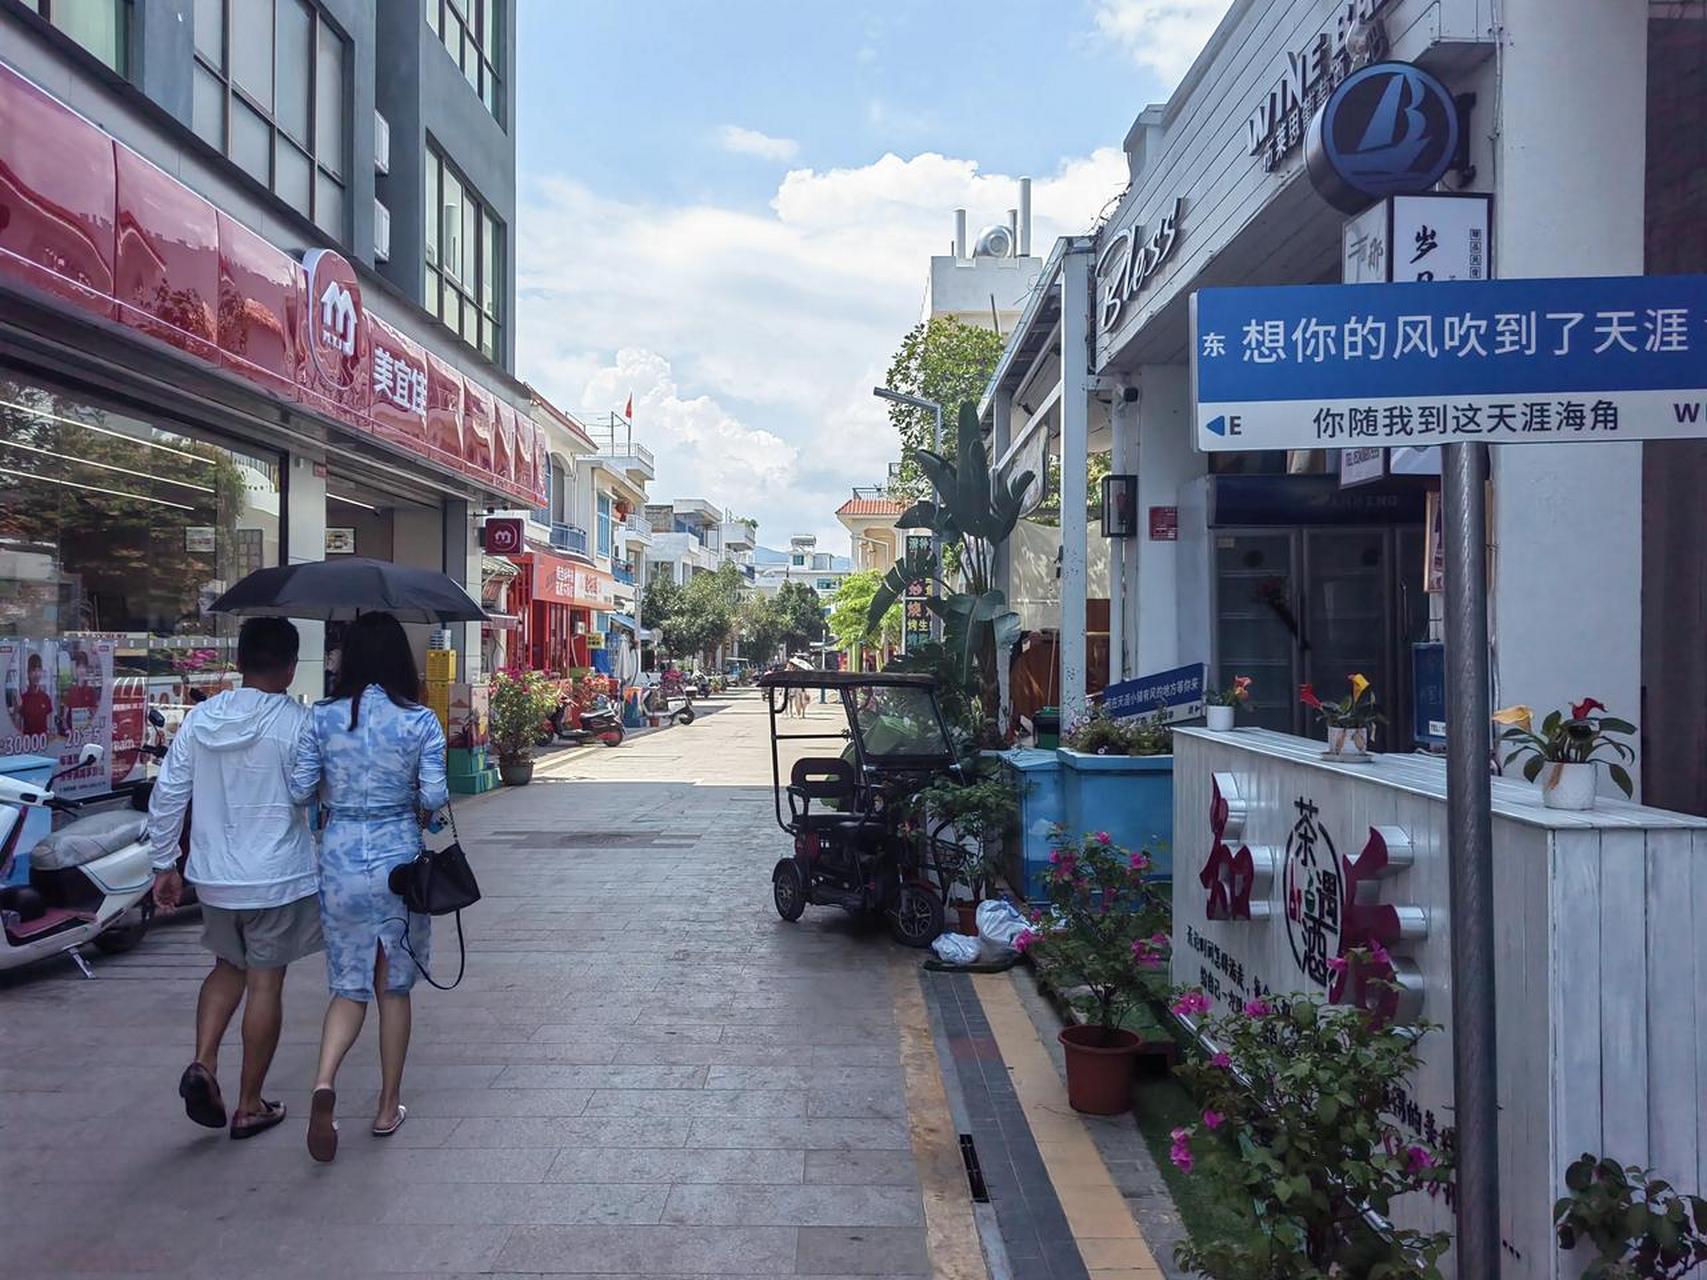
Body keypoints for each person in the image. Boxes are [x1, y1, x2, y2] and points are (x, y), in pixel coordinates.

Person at [147, 617, 319, 1140]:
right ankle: (249, 1105)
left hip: (215, 876)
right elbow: (311, 796)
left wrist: (163, 865)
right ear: (290, 668)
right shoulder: (298, 724)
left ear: (240, 662)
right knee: (265, 980)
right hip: (279, 876)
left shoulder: (201, 720)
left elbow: (169, 793)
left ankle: (203, 1062)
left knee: (228, 966)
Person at [290, 612, 447, 1163]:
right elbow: (433, 796)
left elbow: (300, 786)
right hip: (397, 859)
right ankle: (386, 1105)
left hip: (337, 859)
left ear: (347, 659)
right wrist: (413, 807)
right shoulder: (421, 721)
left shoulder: (321, 718)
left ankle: (324, 1083)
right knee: (393, 987)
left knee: (347, 986)